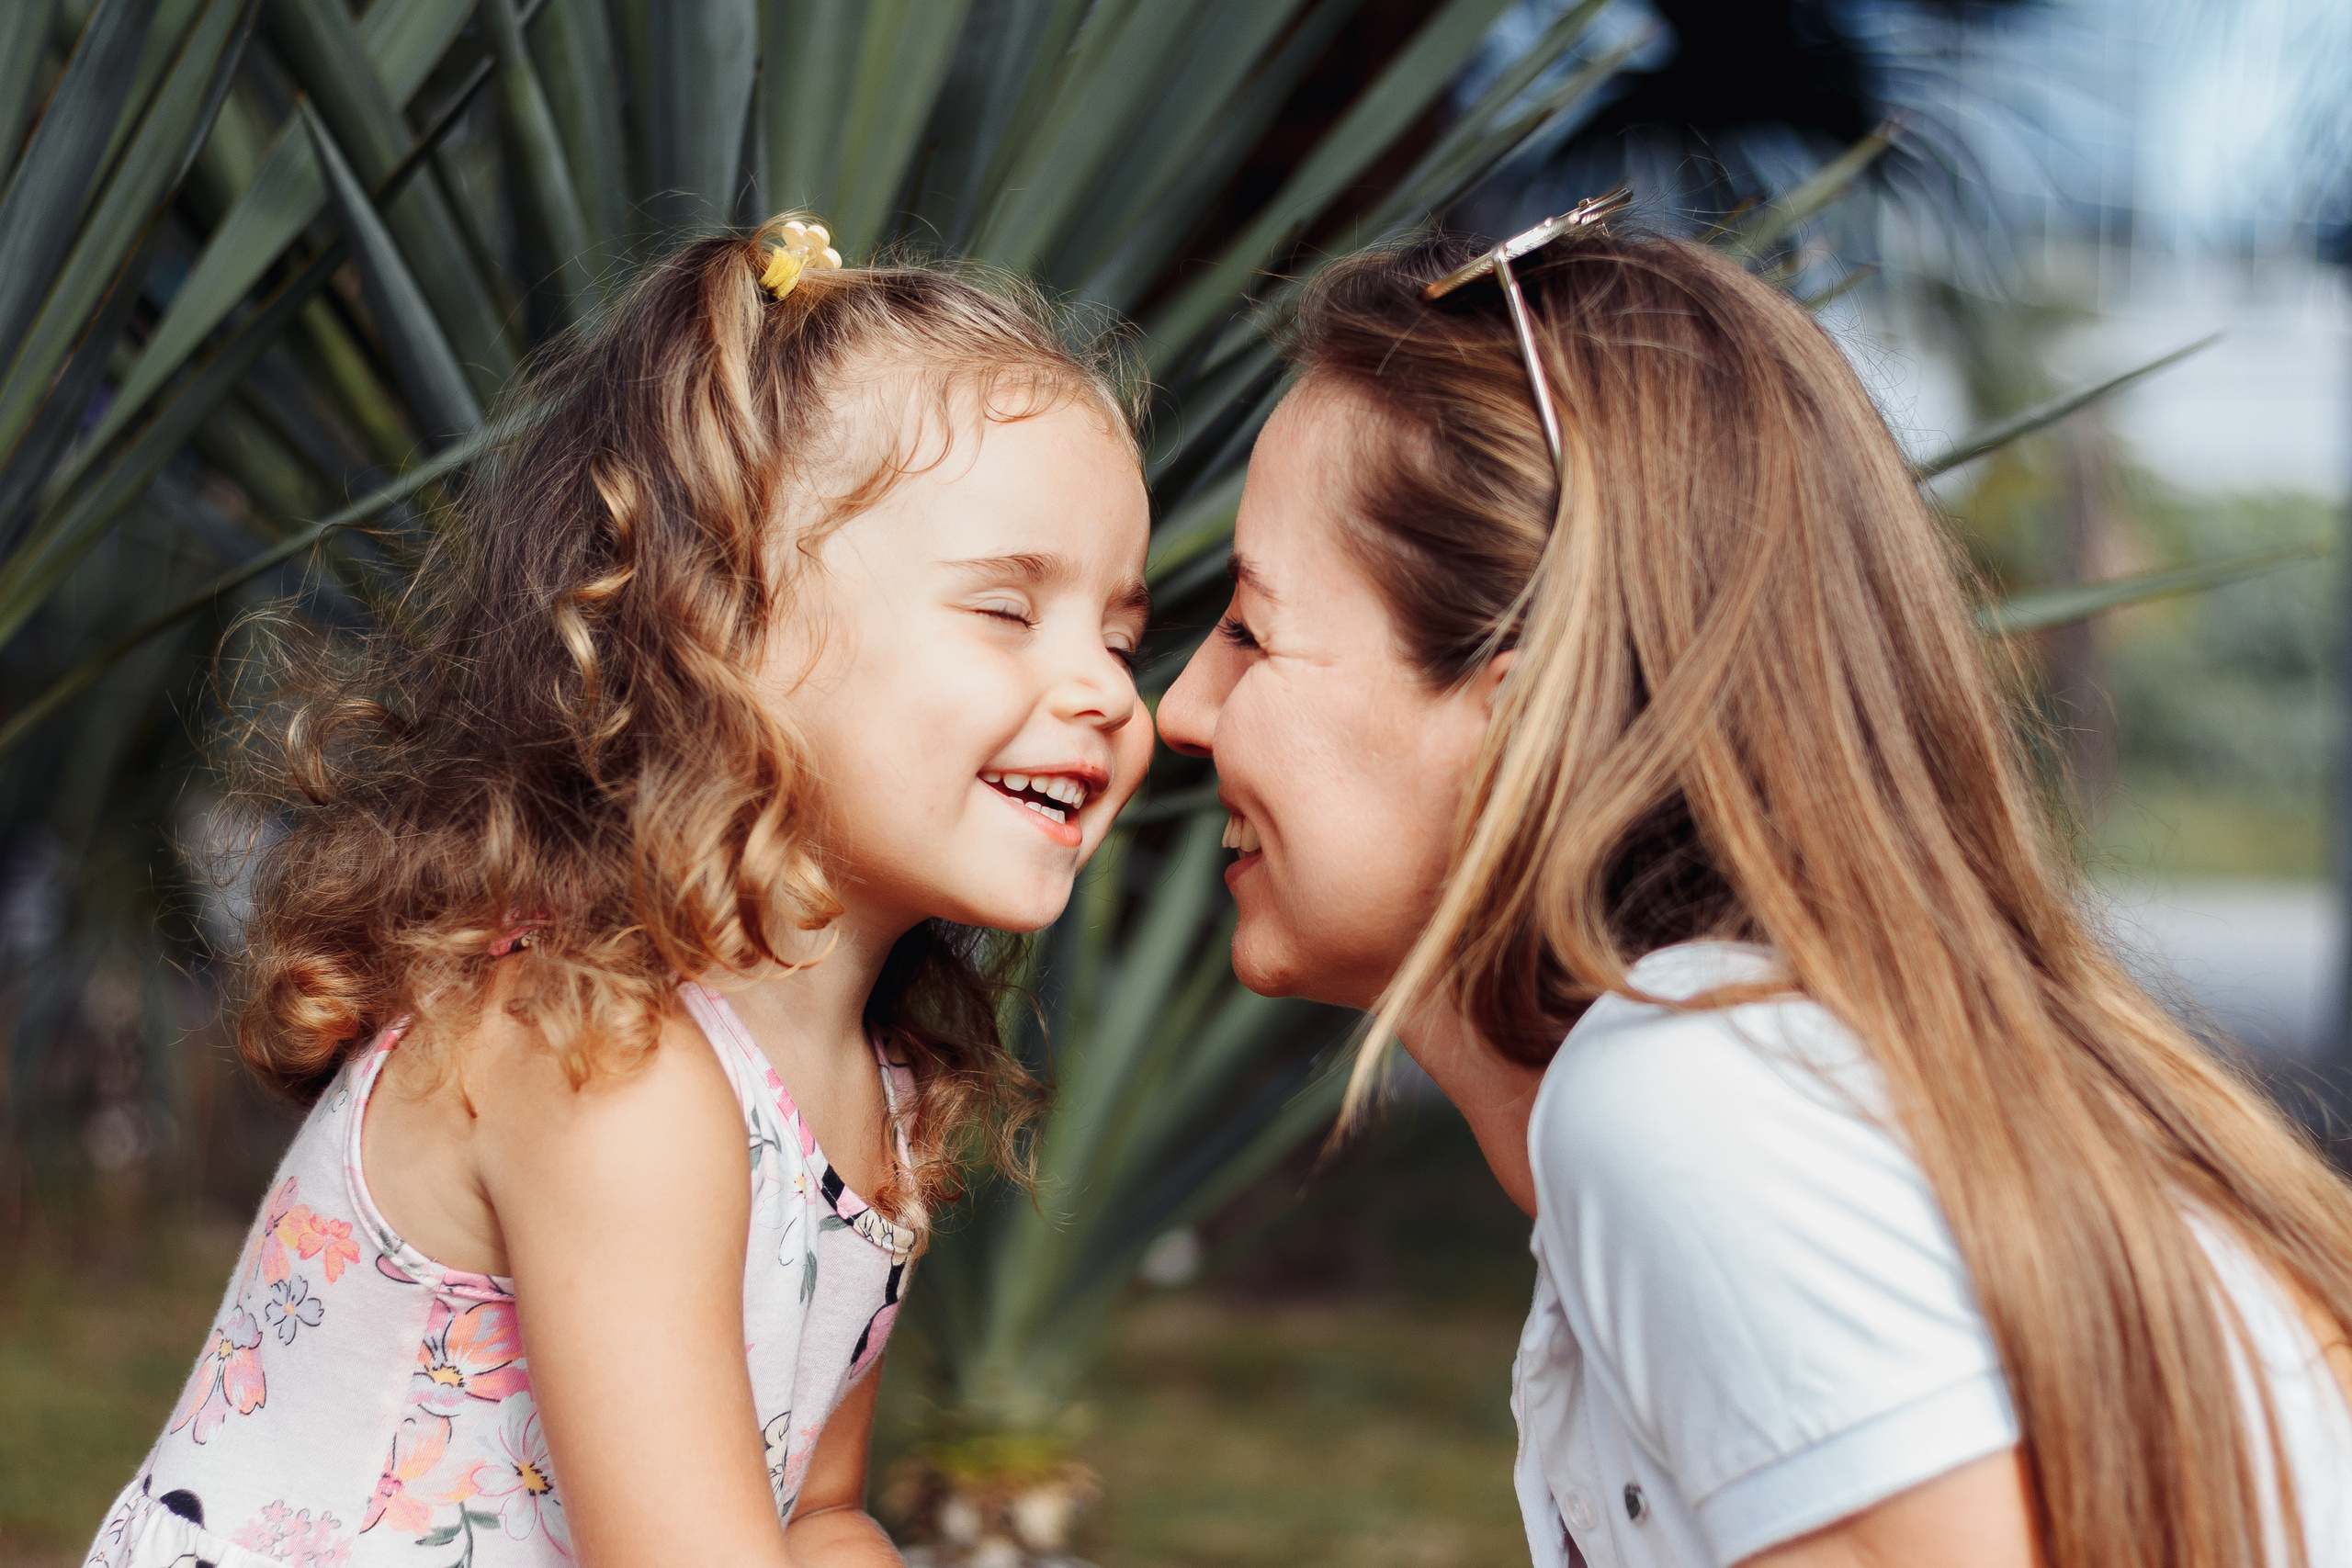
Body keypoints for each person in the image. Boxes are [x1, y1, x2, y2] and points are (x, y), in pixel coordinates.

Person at [1159, 210, 2352, 1568]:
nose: (1181, 709)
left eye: (1253, 630)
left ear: (1516, 711)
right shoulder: (1772, 1070)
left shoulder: (1690, 1091)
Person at [86, 216, 1153, 1568]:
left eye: (1122, 634)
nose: (1107, 691)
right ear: (725, 624)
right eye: (1007, 610)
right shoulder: (602, 1055)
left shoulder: (882, 1092)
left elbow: (812, 1515)